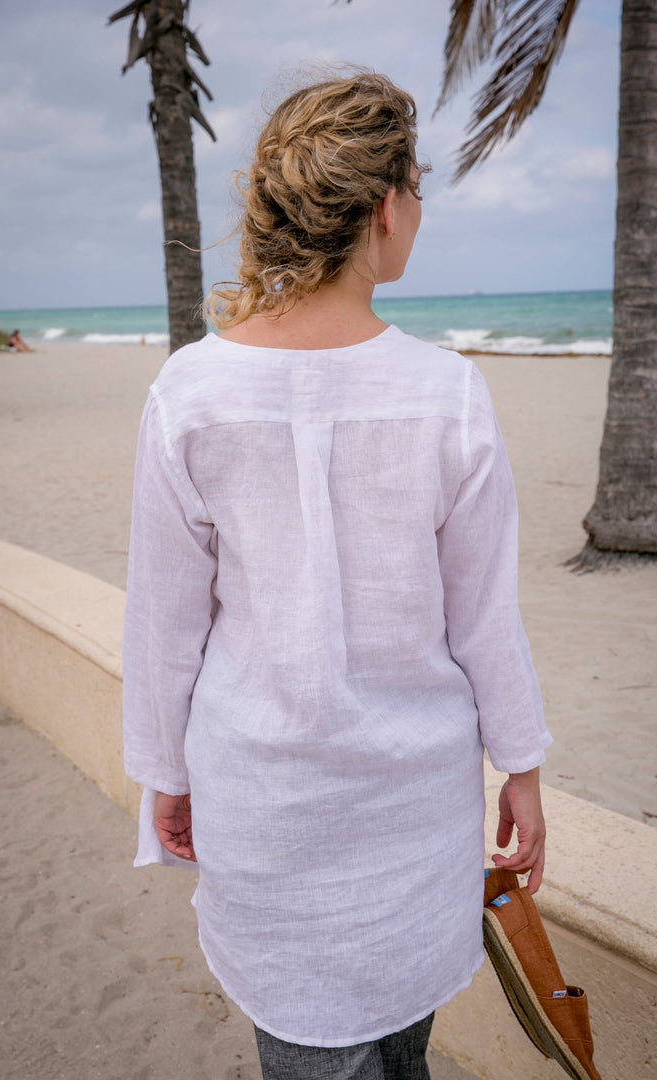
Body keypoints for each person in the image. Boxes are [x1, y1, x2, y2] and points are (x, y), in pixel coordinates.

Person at [123, 72, 551, 1080]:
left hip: (264, 802)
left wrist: (165, 777)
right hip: (413, 810)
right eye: (420, 184)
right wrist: (522, 767)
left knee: (319, 1045)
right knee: (399, 1047)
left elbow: (164, 624)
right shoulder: (449, 393)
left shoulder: (191, 390)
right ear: (384, 205)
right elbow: (486, 618)